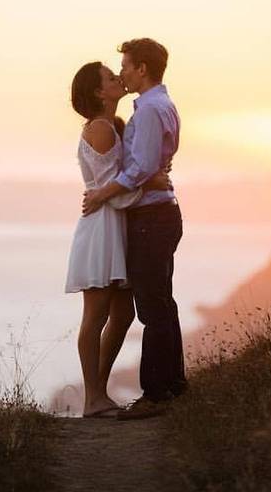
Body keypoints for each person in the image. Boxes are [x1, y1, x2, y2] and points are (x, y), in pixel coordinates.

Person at [82, 38, 186, 421]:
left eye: (125, 65)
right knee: (161, 303)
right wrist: (148, 179)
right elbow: (147, 167)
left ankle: (157, 393)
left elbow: (141, 167)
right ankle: (173, 386)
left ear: (142, 68)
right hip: (156, 214)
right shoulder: (156, 106)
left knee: (152, 307)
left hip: (152, 219)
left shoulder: (150, 110)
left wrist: (102, 193)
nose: (122, 72)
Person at [65, 61, 171, 418]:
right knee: (95, 314)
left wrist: (145, 177)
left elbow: (122, 182)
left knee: (123, 313)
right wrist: (149, 182)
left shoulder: (117, 126)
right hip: (102, 228)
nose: (118, 79)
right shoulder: (100, 129)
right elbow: (114, 192)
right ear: (98, 92)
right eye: (111, 78)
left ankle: (98, 391)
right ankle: (92, 397)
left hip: (119, 225)